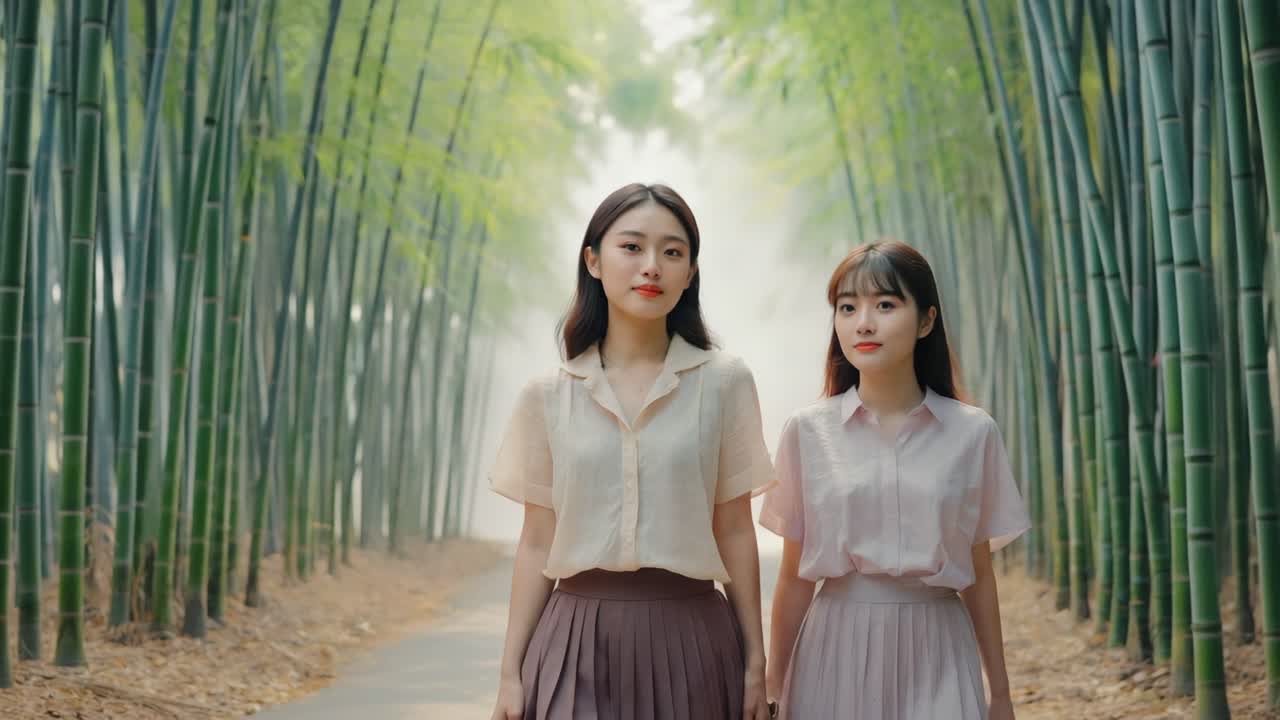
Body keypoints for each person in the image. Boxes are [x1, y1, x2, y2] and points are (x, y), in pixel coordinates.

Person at [489, 182, 775, 720]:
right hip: (572, 639)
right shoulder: (548, 395)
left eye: (672, 252)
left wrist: (755, 663)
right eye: (632, 247)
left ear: (690, 274)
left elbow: (735, 528)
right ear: (593, 260)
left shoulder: (724, 383)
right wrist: (510, 672)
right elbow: (536, 542)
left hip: (692, 638)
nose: (652, 266)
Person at [761, 240, 1029, 720]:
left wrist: (1002, 693)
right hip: (836, 642)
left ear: (926, 320)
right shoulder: (807, 432)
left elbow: (979, 573)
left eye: (885, 304)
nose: (863, 322)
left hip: (939, 643)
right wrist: (774, 688)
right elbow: (794, 577)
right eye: (848, 307)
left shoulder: (972, 432)